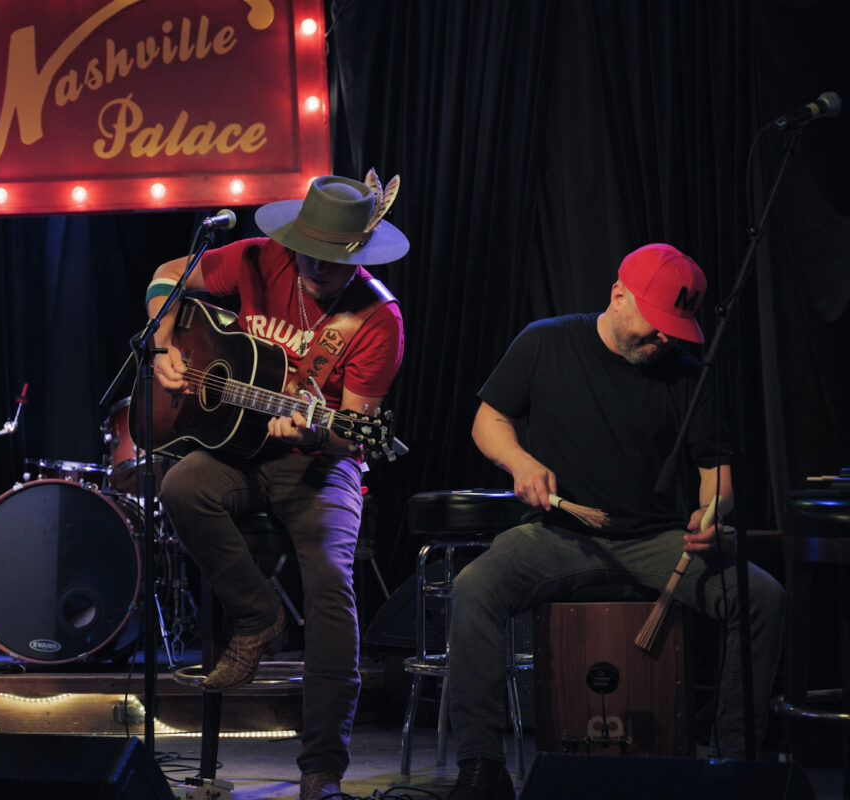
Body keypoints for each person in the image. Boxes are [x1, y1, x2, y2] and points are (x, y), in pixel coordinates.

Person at [445, 243, 785, 799]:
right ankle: (482, 765)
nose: (665, 339)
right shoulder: (545, 341)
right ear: (618, 295)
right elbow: (489, 419)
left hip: (656, 539)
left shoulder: (687, 375)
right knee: (474, 587)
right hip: (559, 535)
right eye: (657, 325)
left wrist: (712, 512)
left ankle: (734, 764)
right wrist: (521, 462)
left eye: (675, 329)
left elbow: (717, 474)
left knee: (762, 597)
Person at [147, 174, 407, 800]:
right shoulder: (258, 258)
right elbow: (166, 276)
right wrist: (162, 345)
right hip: (238, 446)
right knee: (181, 486)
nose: (316, 266)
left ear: (361, 253)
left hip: (319, 464)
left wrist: (318, 434)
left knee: (330, 586)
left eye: (333, 257)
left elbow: (352, 430)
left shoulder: (378, 319)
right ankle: (259, 616)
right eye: (308, 251)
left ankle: (321, 769)